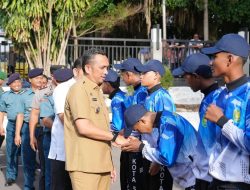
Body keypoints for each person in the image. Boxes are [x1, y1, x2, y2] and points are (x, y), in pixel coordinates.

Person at [64, 48, 128, 190]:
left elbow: (102, 129)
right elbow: (84, 127)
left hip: (101, 164)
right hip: (85, 166)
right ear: (88, 68)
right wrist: (115, 137)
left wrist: (109, 163)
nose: (106, 72)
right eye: (102, 68)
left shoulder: (97, 91)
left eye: (107, 67)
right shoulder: (79, 90)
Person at [201, 33, 250, 189]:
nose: (210, 62)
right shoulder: (218, 95)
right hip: (214, 181)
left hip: (238, 184)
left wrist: (222, 121)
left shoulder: (248, 94)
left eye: (215, 57)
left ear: (230, 59)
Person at [123, 104, 211, 190]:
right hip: (195, 175)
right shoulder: (164, 118)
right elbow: (167, 146)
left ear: (141, 121)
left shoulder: (168, 124)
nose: (140, 132)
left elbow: (167, 158)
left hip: (197, 177)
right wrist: (157, 162)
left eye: (137, 129)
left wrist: (141, 147)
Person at [172, 53, 222, 189]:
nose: (185, 80)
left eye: (185, 76)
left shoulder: (216, 100)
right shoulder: (208, 98)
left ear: (196, 76)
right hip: (203, 174)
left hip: (211, 176)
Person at [128, 59, 175, 190]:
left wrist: (157, 161)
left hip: (158, 156)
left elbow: (167, 130)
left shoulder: (163, 97)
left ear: (156, 75)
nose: (141, 76)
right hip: (147, 152)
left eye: (144, 73)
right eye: (140, 73)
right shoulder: (146, 95)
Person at [114, 57, 147, 190]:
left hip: (136, 146)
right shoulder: (137, 92)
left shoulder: (142, 93)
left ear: (128, 74)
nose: (122, 78)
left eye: (122, 74)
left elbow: (142, 122)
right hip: (130, 143)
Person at [15, 68, 44, 190]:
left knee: (46, 160)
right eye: (37, 78)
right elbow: (20, 115)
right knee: (28, 160)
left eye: (41, 77)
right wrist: (17, 134)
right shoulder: (23, 95)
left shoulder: (48, 93)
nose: (40, 80)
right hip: (27, 128)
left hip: (44, 129)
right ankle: (28, 186)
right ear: (30, 80)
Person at [48, 68, 76, 190]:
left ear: (55, 79)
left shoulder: (61, 89)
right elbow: (62, 117)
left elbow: (62, 116)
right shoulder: (66, 88)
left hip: (67, 151)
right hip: (67, 150)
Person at [0, 73, 24, 186]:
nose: (17, 84)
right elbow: (2, 112)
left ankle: (29, 174)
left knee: (27, 152)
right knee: (11, 152)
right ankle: (10, 176)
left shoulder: (28, 94)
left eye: (18, 82)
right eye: (14, 82)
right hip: (12, 126)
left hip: (26, 125)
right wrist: (0, 126)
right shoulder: (5, 96)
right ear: (9, 85)